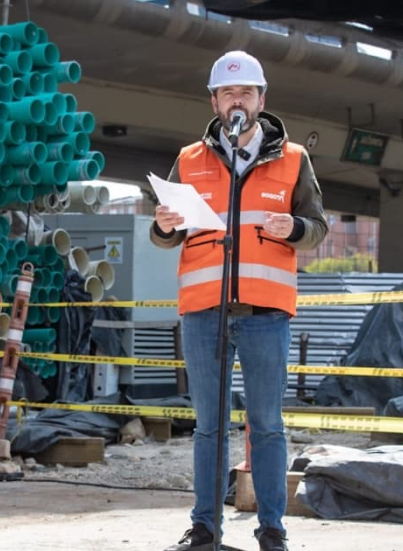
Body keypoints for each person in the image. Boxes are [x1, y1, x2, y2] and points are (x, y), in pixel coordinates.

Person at [151, 51, 328, 551]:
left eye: (246, 92)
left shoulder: (294, 159)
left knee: (267, 425)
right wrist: (163, 226)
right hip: (204, 310)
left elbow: (317, 227)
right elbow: (168, 231)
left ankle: (272, 530)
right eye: (228, 92)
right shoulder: (189, 159)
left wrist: (293, 227)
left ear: (261, 100)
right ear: (214, 100)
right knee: (208, 427)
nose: (237, 100)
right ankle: (204, 527)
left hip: (266, 314)